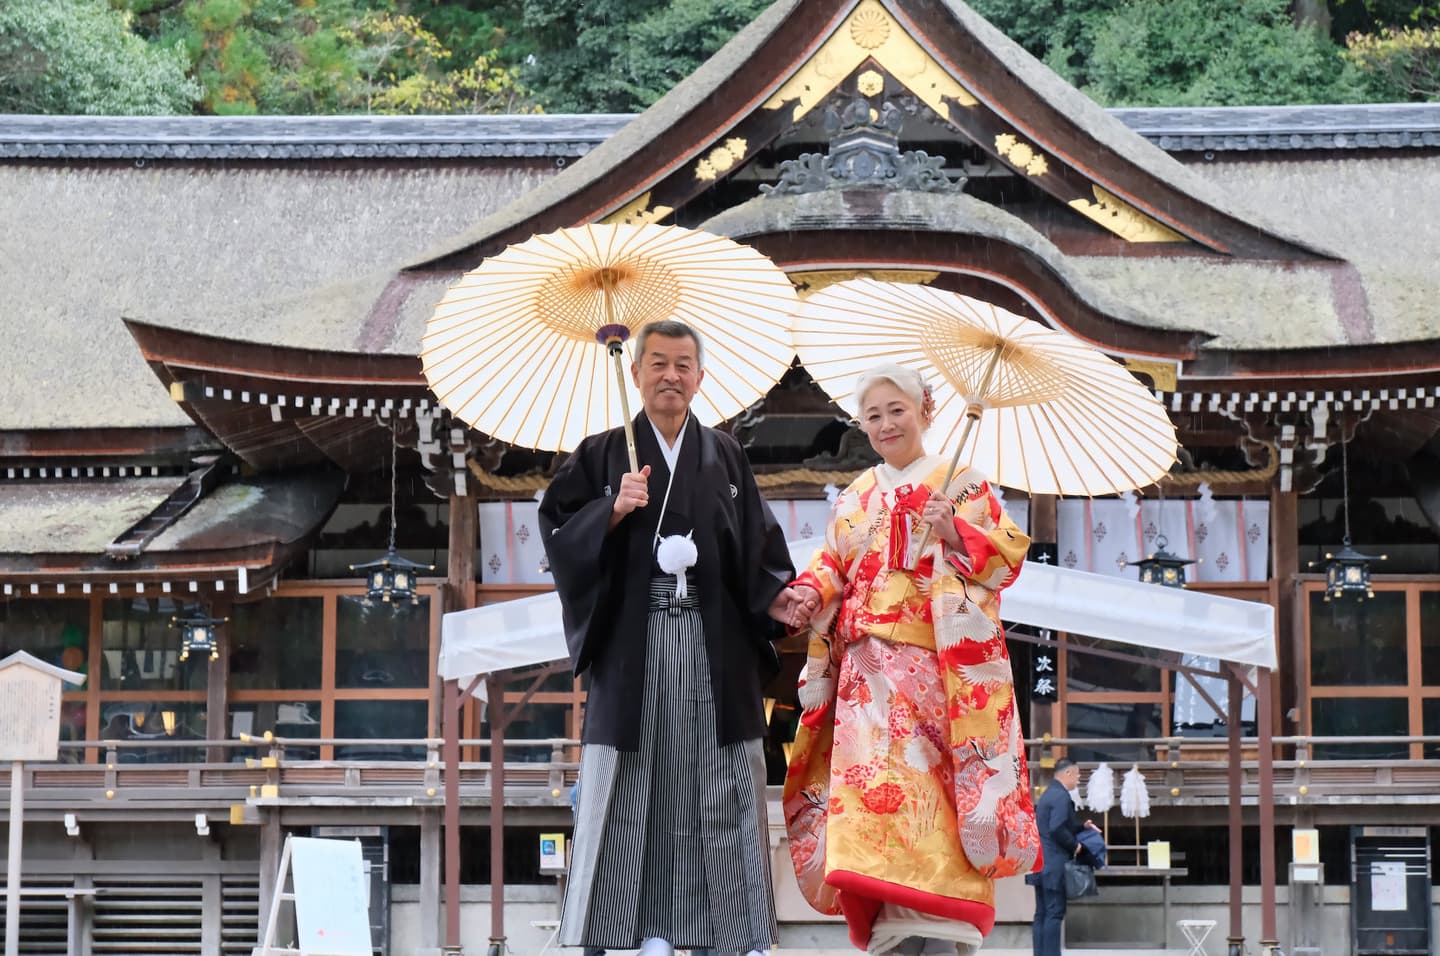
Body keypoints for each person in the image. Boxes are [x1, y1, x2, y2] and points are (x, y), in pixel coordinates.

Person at [539, 319, 812, 956]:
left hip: (713, 646)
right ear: (634, 373)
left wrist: (779, 595)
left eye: (682, 364)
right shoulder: (603, 453)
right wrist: (611, 509)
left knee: (719, 783)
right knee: (633, 782)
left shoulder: (725, 455)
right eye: (657, 363)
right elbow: (556, 534)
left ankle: (734, 935)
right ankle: (621, 933)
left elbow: (755, 551)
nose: (670, 376)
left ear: (699, 376)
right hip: (634, 649)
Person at [783, 363, 1038, 956]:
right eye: (872, 415)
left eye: (897, 410)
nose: (885, 424)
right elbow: (832, 566)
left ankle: (942, 917)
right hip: (865, 680)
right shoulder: (854, 497)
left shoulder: (963, 483)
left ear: (927, 410)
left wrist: (953, 530)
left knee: (936, 794)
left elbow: (1007, 559)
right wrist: (807, 592)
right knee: (873, 795)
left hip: (937, 673)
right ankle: (888, 919)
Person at [1030, 758, 1100, 956]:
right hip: (1054, 863)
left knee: (1041, 914)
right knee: (1054, 913)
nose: (1078, 779)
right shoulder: (1061, 796)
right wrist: (1075, 845)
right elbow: (1057, 828)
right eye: (1077, 774)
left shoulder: (1047, 795)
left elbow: (1056, 825)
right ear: (1067, 773)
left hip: (1041, 862)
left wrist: (1081, 826)